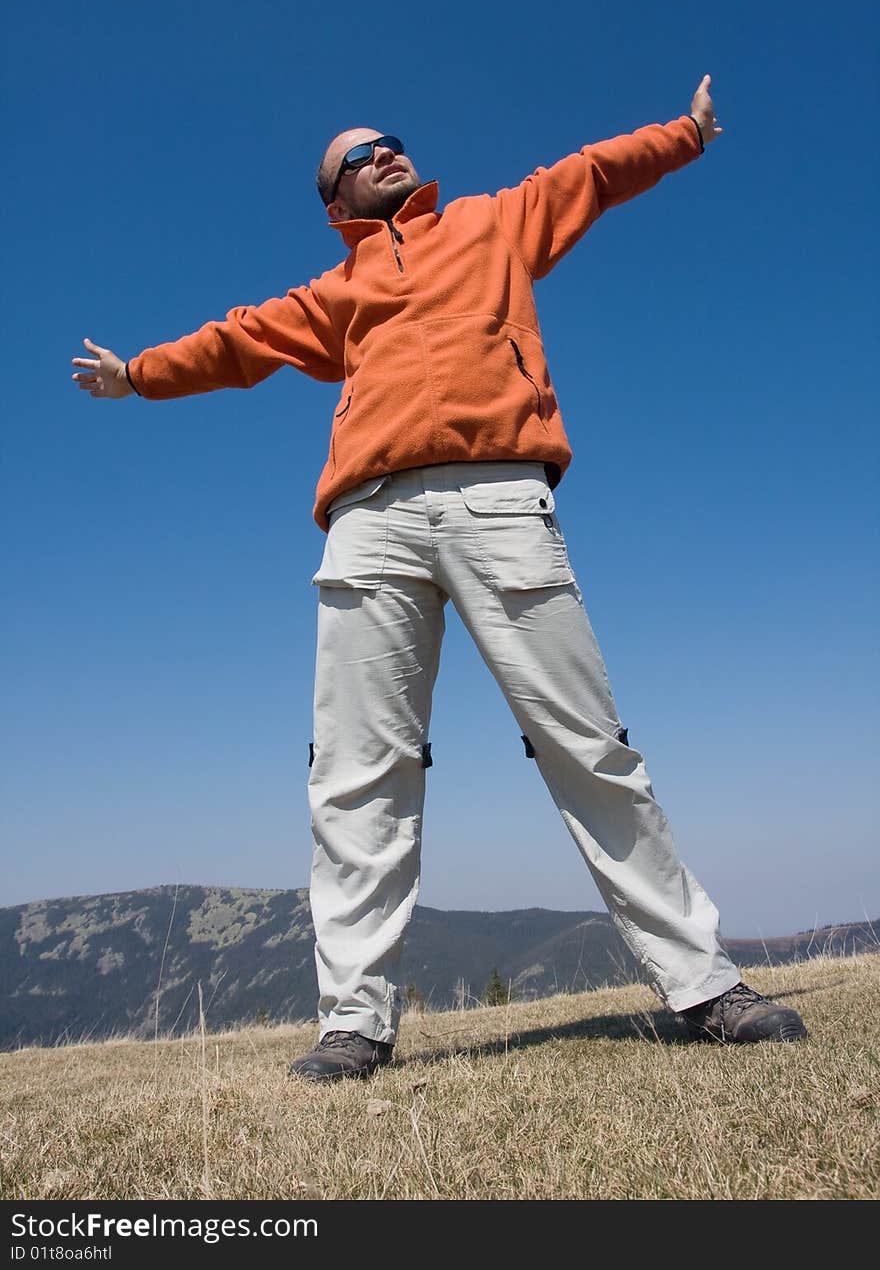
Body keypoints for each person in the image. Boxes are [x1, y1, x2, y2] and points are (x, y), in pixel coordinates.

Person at [72, 75, 807, 1081]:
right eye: (358, 154)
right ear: (338, 204)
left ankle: (705, 984)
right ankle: (353, 1022)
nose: (385, 150)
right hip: (367, 524)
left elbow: (591, 174)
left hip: (500, 498)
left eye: (391, 139)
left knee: (585, 744)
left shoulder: (493, 224)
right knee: (354, 772)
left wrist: (685, 133)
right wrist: (138, 373)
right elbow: (238, 339)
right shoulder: (334, 295)